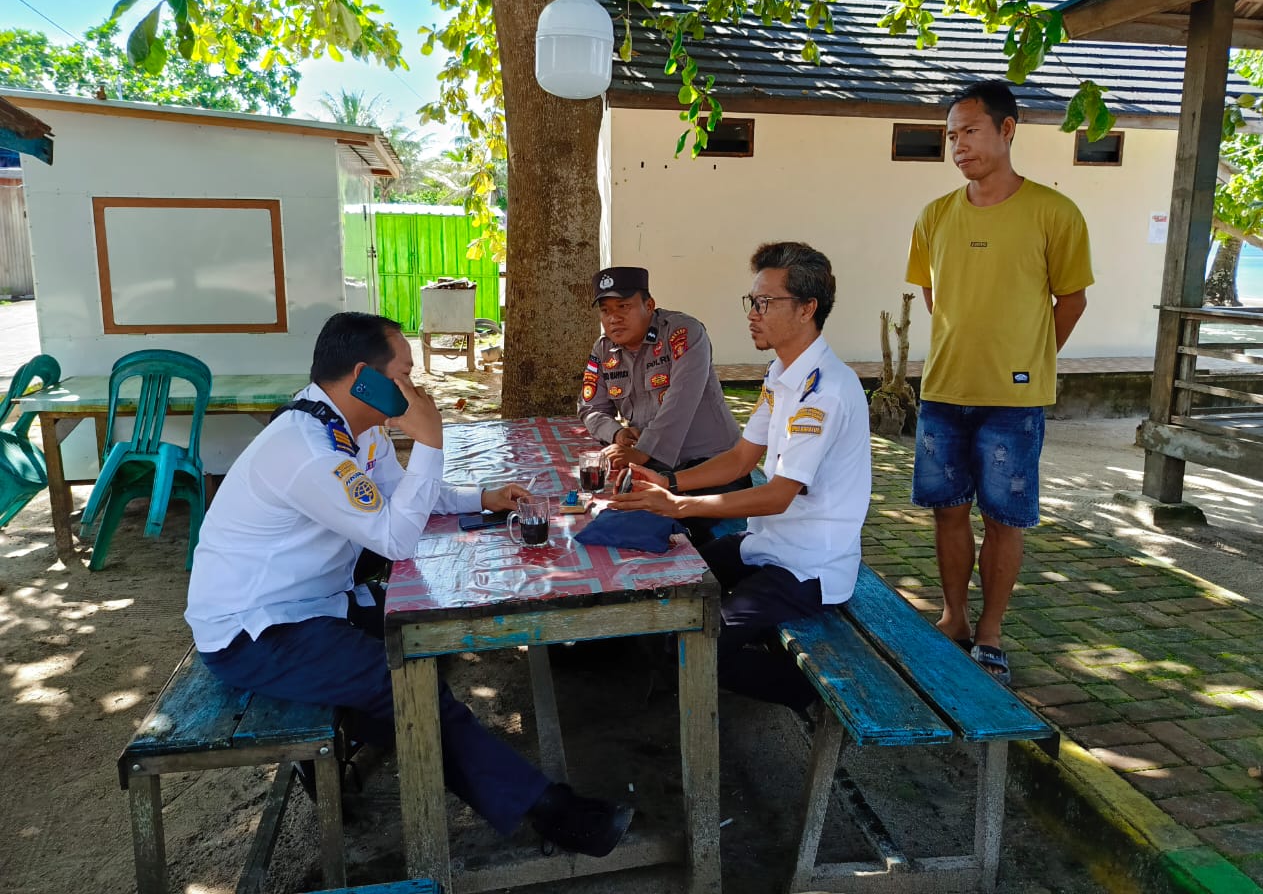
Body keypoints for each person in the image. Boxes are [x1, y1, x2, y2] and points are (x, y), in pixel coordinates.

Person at [185, 311, 632, 857]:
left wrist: (480, 497)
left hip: (315, 602)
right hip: (254, 630)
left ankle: (382, 737)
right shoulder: (305, 451)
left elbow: (404, 495)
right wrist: (431, 440)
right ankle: (550, 812)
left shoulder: (352, 428)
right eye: (404, 374)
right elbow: (395, 538)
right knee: (405, 681)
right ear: (363, 378)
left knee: (428, 637)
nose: (415, 389)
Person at [612, 243, 871, 719]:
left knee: (693, 645)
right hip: (766, 545)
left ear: (807, 308)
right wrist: (669, 481)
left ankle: (821, 696)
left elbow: (777, 496)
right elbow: (738, 459)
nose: (753, 313)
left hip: (807, 569)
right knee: (664, 588)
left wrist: (680, 505)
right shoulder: (781, 374)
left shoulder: (825, 391)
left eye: (766, 302)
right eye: (752, 301)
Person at [905, 80, 1093, 686]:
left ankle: (990, 632)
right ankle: (954, 618)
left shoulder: (1054, 212)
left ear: (1007, 130)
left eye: (971, 131)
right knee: (947, 512)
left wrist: (1032, 356)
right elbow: (935, 296)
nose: (958, 145)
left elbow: (1071, 299)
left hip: (1014, 400)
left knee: (1005, 518)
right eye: (951, 136)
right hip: (943, 391)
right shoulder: (934, 215)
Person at [577, 266, 750, 545]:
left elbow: (681, 401)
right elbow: (590, 407)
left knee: (657, 527)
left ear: (649, 305)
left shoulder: (684, 333)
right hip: (654, 468)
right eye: (605, 311)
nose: (613, 318)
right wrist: (618, 434)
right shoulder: (603, 349)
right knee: (600, 516)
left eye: (623, 306)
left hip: (712, 468)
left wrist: (642, 451)